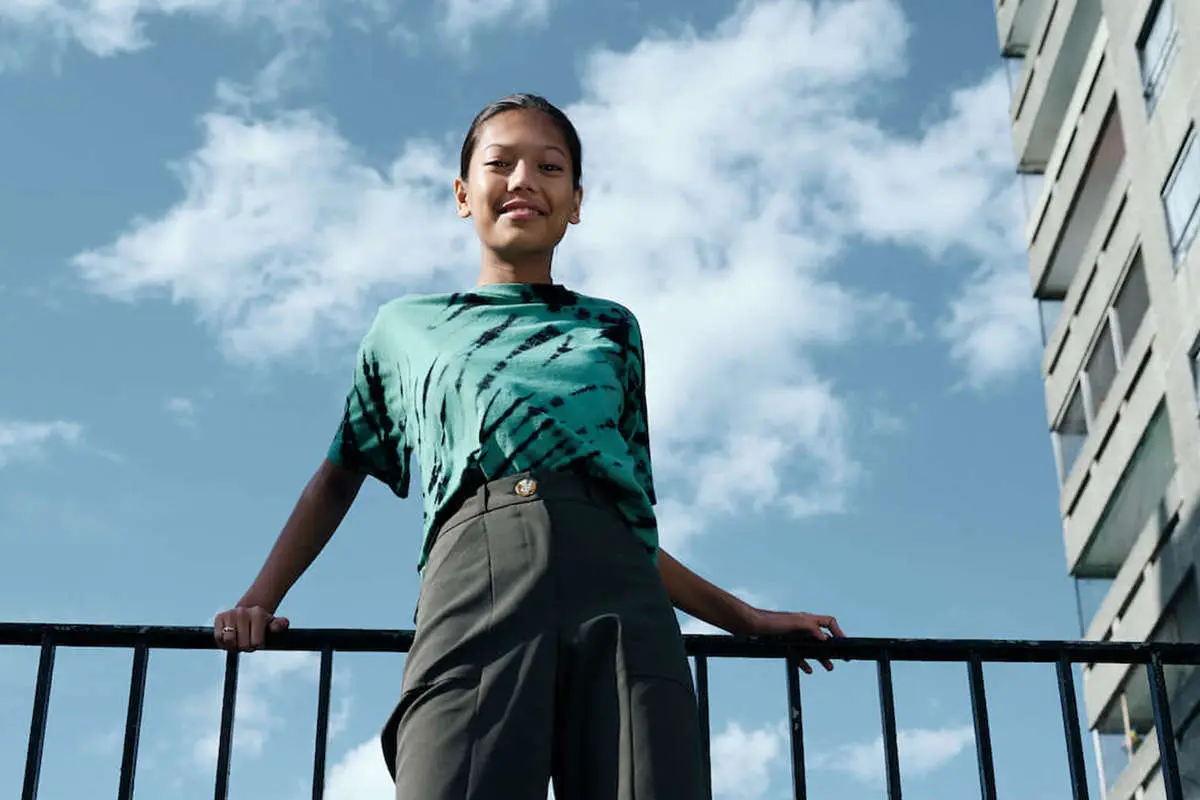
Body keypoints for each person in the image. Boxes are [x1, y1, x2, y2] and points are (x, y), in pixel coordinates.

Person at [213, 93, 844, 800]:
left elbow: (628, 523)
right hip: (472, 589)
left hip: (622, 609)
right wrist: (259, 598)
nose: (523, 181)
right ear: (462, 194)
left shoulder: (613, 331)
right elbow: (336, 478)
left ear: (575, 202)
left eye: (549, 167)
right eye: (500, 163)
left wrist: (746, 619)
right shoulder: (405, 329)